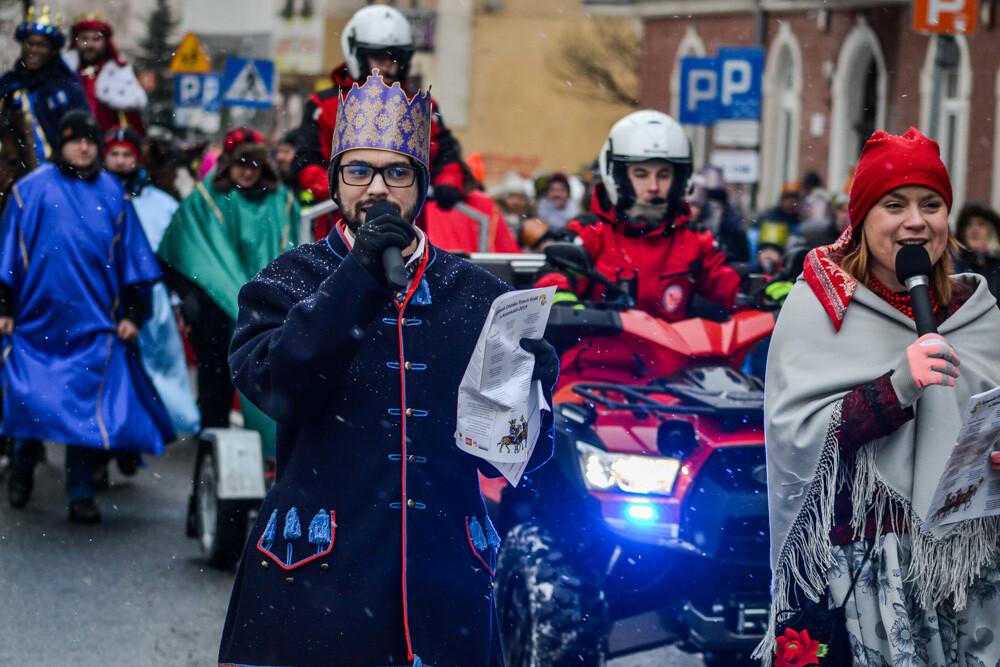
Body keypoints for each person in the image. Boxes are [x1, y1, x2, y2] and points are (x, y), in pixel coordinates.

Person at [218, 71, 556, 667]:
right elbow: (281, 392)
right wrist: (360, 280)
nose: (377, 188)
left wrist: (531, 395)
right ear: (336, 182)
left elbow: (504, 457)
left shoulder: (477, 294)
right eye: (359, 171)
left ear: (420, 185)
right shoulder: (285, 282)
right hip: (317, 583)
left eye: (397, 172)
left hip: (444, 587)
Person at [758, 128, 1000, 666]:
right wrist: (894, 389)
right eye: (895, 204)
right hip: (862, 572)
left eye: (932, 204)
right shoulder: (819, 306)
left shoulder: (977, 312)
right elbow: (798, 440)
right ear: (863, 219)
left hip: (965, 570)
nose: (917, 220)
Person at [0, 110, 172, 524]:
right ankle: (22, 469)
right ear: (61, 144)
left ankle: (80, 493)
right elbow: (6, 256)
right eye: (76, 140)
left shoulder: (113, 194)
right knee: (34, 405)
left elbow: (134, 258)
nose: (84, 147)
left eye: (91, 141)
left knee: (83, 415)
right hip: (35, 326)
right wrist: (4, 308)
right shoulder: (29, 191)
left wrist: (134, 312)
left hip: (94, 326)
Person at [157, 127, 298, 457]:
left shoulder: (281, 202)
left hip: (268, 311)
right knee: (216, 384)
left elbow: (293, 251)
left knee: (267, 379)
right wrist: (191, 300)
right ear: (227, 166)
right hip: (216, 313)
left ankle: (269, 456)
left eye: (254, 165)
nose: (248, 172)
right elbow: (177, 251)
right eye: (240, 164)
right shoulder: (205, 200)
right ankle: (212, 453)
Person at [536, 109, 742, 322]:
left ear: (679, 180)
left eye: (663, 175)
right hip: (600, 351)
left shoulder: (694, 239)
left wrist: (762, 289)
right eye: (641, 175)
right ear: (618, 177)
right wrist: (563, 301)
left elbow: (728, 277)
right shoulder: (591, 231)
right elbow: (556, 277)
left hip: (674, 353)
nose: (653, 187)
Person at [293, 4, 469, 240]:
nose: (387, 64)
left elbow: (445, 153)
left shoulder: (420, 106)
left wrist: (448, 182)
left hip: (405, 224)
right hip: (338, 224)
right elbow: (306, 161)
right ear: (357, 55)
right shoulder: (325, 106)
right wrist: (344, 188)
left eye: (395, 57)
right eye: (379, 56)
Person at [103, 125, 200, 437]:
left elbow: (175, 258)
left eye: (126, 154)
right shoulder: (92, 199)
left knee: (156, 367)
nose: (119, 161)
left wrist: (177, 302)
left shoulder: (162, 203)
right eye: (113, 154)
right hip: (105, 297)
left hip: (153, 300)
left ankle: (151, 427)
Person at [0, 5, 90, 162]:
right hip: (13, 168)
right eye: (29, 44)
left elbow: (81, 132)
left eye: (41, 45)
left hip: (57, 168)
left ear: (53, 51)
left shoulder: (66, 87)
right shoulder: (8, 84)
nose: (33, 50)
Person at [63, 12, 147, 135]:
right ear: (76, 41)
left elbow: (133, 119)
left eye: (96, 39)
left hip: (108, 146)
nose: (90, 44)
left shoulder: (119, 73)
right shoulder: (65, 73)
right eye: (84, 39)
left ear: (105, 42)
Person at [952, 200, 1000, 301]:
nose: (974, 229)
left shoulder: (997, 264)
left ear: (991, 230)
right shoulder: (953, 262)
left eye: (981, 224)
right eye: (969, 224)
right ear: (962, 232)